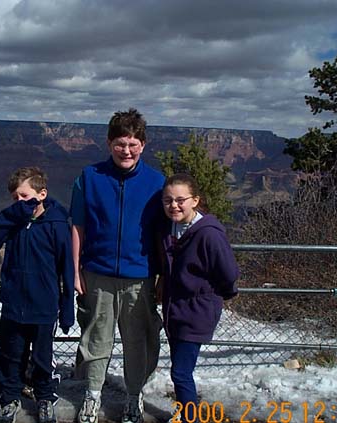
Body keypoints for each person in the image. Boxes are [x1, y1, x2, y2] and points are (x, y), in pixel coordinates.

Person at [70, 108, 165, 423]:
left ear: (143, 145)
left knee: (137, 341)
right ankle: (92, 396)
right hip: (97, 273)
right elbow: (78, 226)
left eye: (133, 144)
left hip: (140, 276)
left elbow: (164, 233)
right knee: (96, 338)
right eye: (120, 144)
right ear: (109, 143)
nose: (127, 150)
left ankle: (134, 397)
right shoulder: (90, 177)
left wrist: (163, 276)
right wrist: (75, 270)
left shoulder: (156, 182)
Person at [0, 167, 74, 423]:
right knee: (11, 355)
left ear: (42, 194)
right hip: (13, 303)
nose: (20, 202)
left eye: (25, 196)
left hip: (44, 306)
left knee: (42, 358)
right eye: (15, 198)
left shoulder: (56, 225)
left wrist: (67, 310)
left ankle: (45, 397)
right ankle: (9, 398)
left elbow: (66, 269)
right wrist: (13, 213)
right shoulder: (13, 222)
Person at [159, 173, 239, 423]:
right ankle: (186, 411)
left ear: (195, 200)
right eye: (168, 200)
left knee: (181, 371)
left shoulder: (209, 234)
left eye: (181, 200)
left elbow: (228, 273)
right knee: (180, 368)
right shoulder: (169, 228)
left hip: (196, 310)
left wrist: (214, 296)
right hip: (175, 309)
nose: (174, 205)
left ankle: (189, 417)